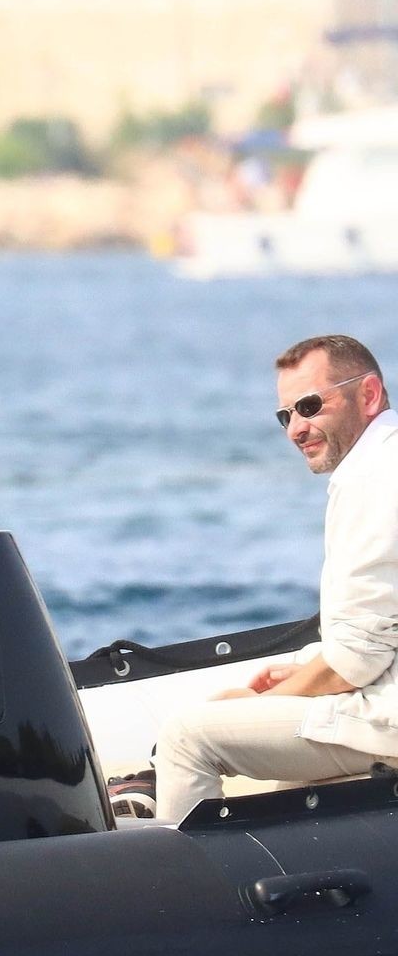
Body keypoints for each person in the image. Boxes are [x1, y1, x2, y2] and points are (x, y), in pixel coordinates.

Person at [153, 335, 398, 821]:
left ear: (368, 395)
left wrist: (257, 700)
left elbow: (356, 661)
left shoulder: (372, 478)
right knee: (291, 783)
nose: (296, 429)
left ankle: (174, 871)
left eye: (309, 406)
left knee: (187, 735)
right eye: (286, 415)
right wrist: (309, 666)